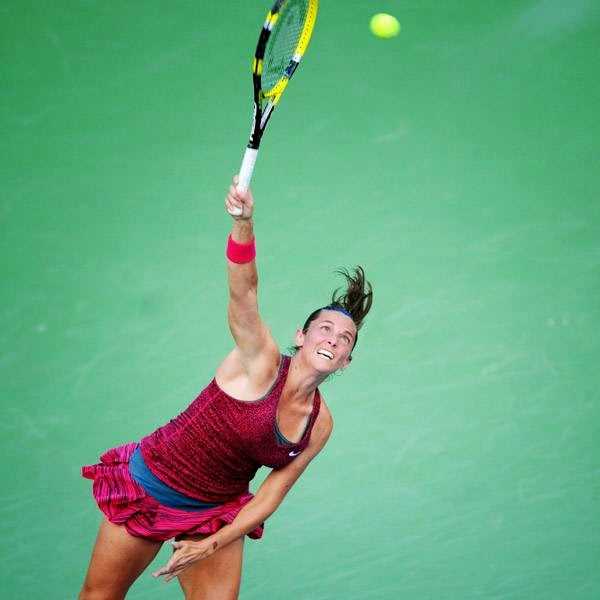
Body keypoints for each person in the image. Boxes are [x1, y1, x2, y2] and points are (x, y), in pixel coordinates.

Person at [79, 177, 373, 600]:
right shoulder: (260, 360)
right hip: (153, 485)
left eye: (344, 338)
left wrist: (210, 543)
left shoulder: (321, 424)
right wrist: (244, 224)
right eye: (324, 329)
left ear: (347, 360)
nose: (332, 338)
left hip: (216, 512)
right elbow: (244, 291)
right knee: (99, 597)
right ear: (301, 337)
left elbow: (271, 496)